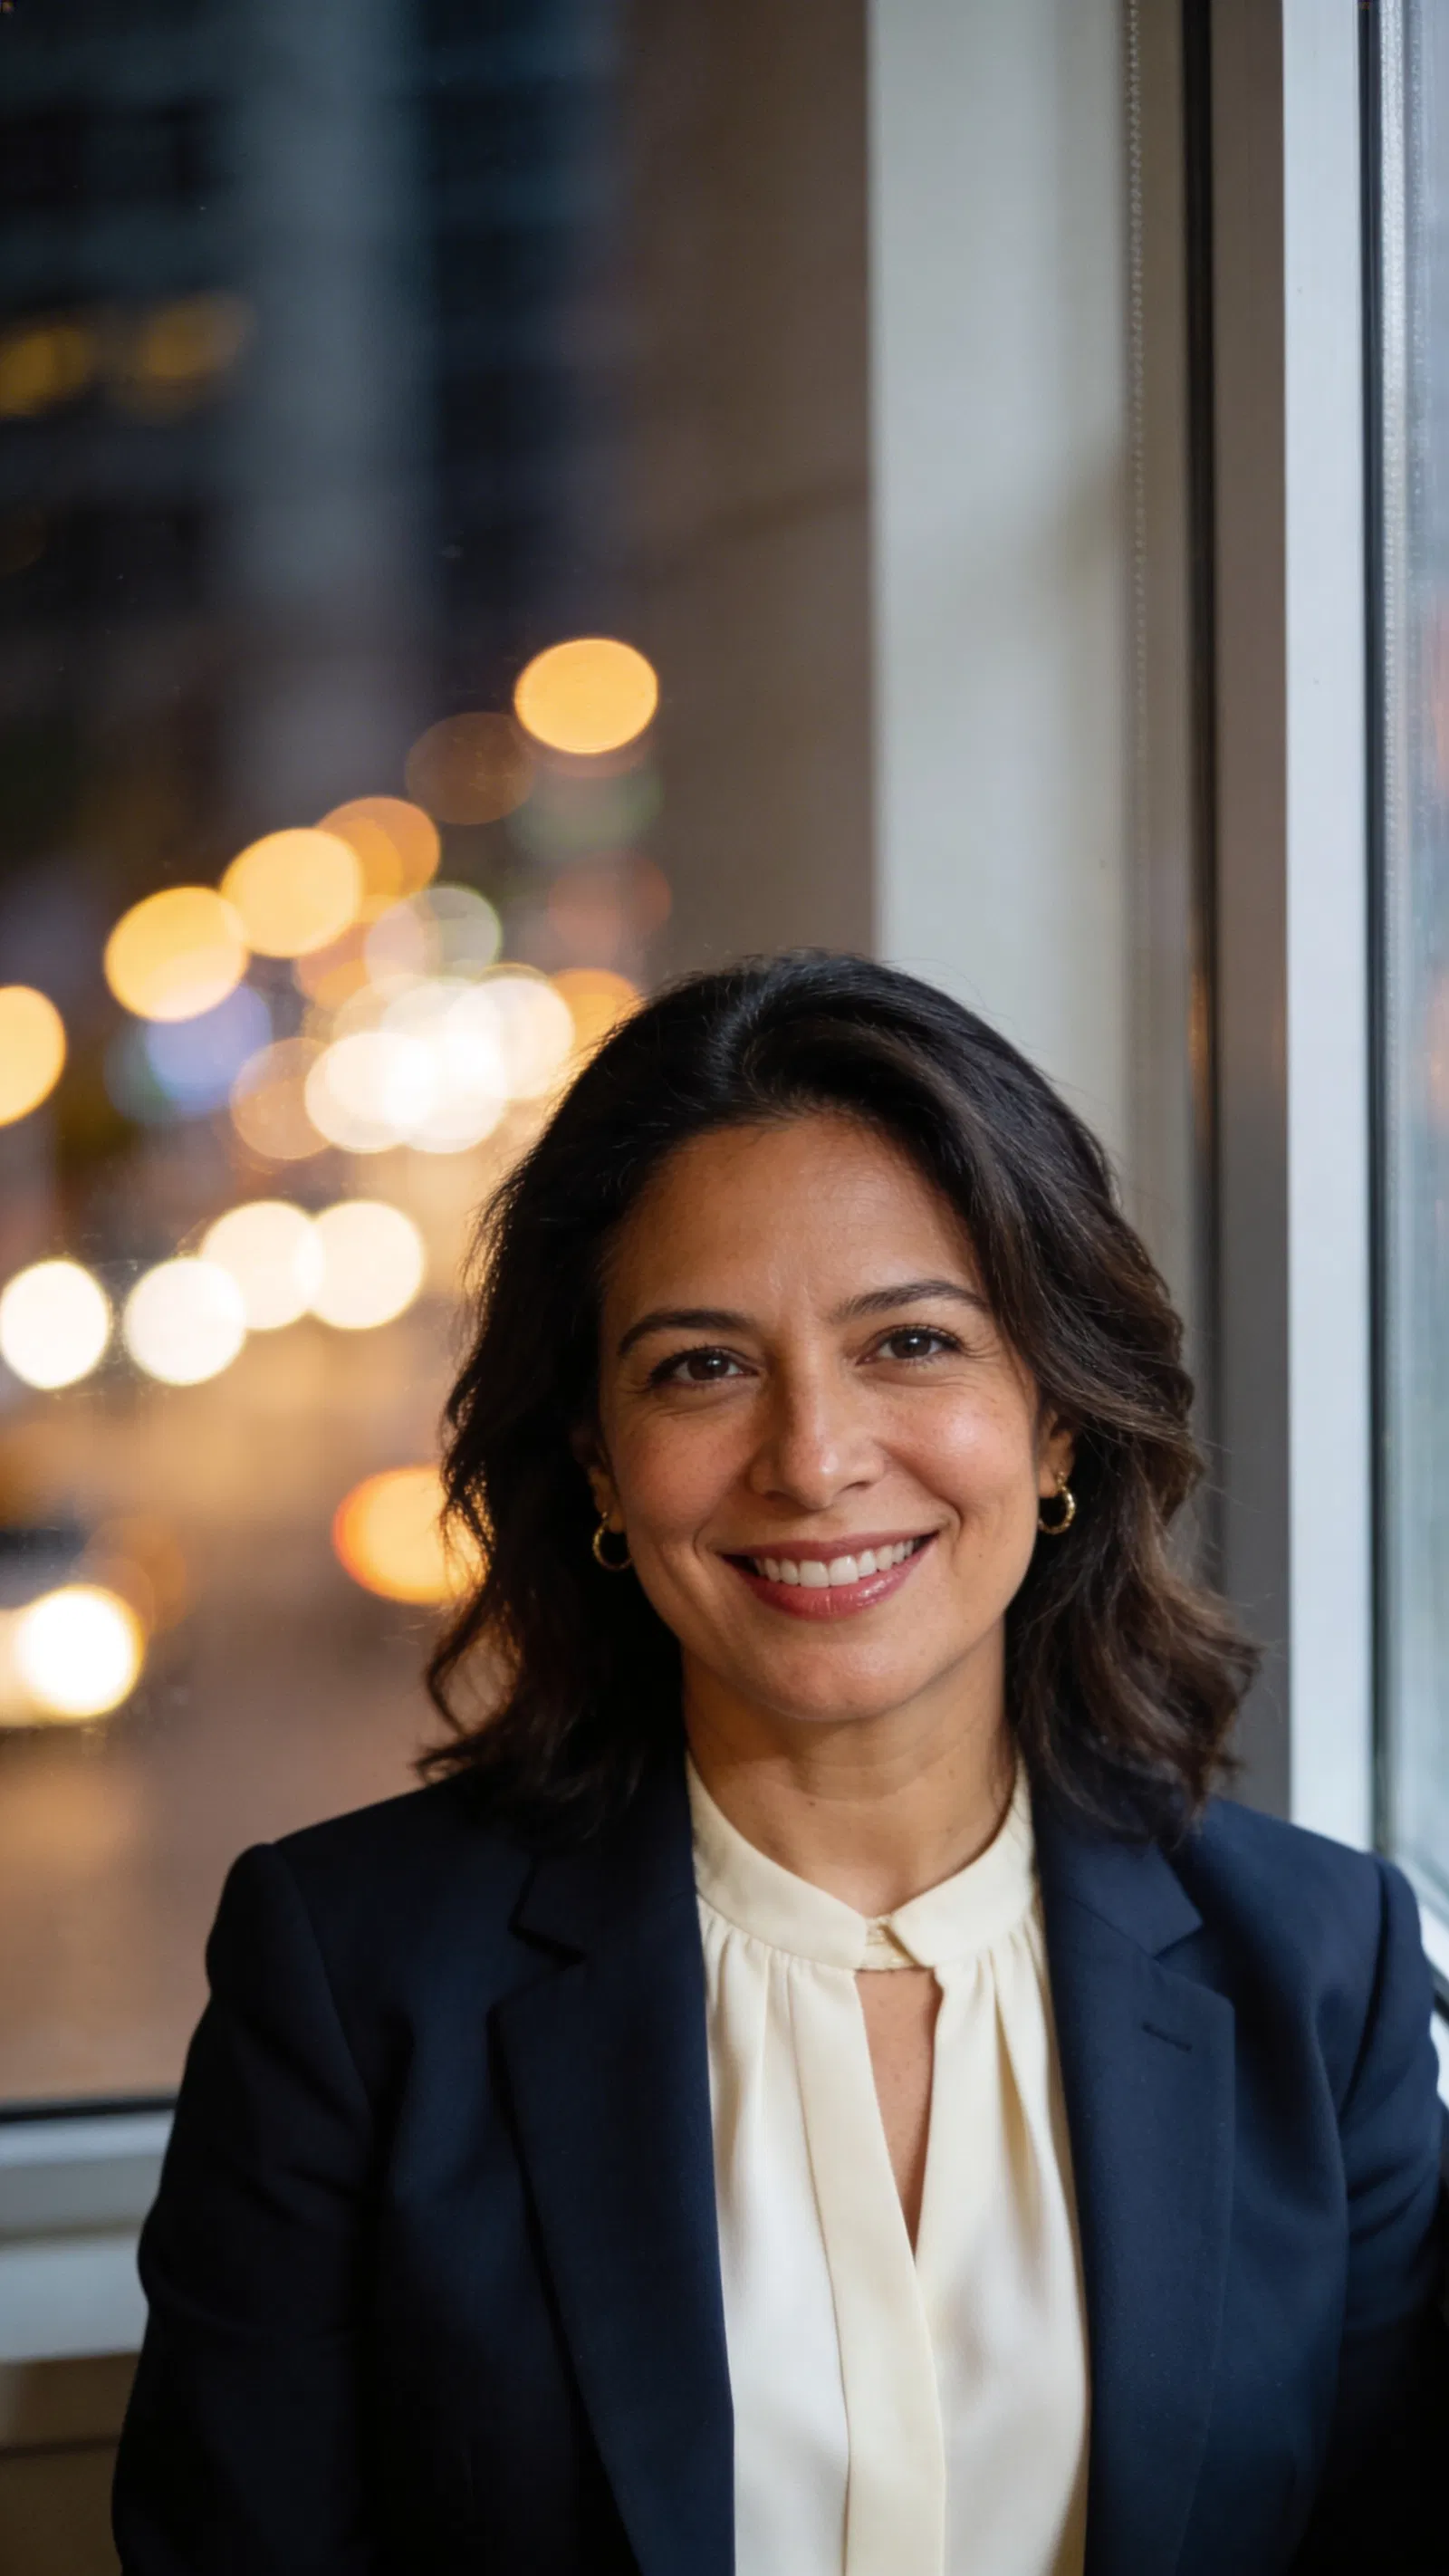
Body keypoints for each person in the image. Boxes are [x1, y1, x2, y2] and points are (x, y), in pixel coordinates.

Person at [113, 952, 1445, 2576]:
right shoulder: (350, 1978)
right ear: (599, 1459)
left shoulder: (1328, 1974)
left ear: (1058, 1422)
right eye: (704, 1367)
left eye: (912, 1344)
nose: (814, 1459)